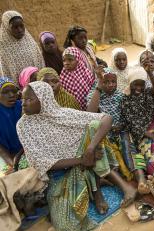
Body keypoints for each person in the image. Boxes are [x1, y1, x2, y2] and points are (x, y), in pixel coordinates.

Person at [17, 81, 137, 230]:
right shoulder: (23, 126)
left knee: (93, 127)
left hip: (86, 162)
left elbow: (106, 119)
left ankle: (96, 192)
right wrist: (81, 160)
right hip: (59, 175)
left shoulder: (62, 114)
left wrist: (90, 149)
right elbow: (40, 162)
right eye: (22, 99)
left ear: (44, 99)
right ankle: (92, 184)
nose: (23, 104)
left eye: (29, 99)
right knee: (65, 225)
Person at [121, 66, 154, 208]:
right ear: (130, 83)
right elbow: (131, 122)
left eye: (141, 84)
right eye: (135, 84)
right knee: (147, 146)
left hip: (151, 129)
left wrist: (149, 73)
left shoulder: (147, 92)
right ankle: (152, 177)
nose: (139, 87)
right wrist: (150, 135)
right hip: (137, 132)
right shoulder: (126, 99)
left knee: (152, 146)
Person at [0, 11, 44, 86]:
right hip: (16, 90)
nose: (20, 30)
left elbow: (40, 62)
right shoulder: (3, 47)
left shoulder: (30, 42)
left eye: (21, 26)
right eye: (15, 27)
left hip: (37, 85)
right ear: (7, 28)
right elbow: (5, 71)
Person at [0, 77, 22, 167]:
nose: (11, 95)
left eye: (14, 91)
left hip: (26, 150)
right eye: (5, 92)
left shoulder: (23, 106)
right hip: (5, 154)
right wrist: (12, 164)